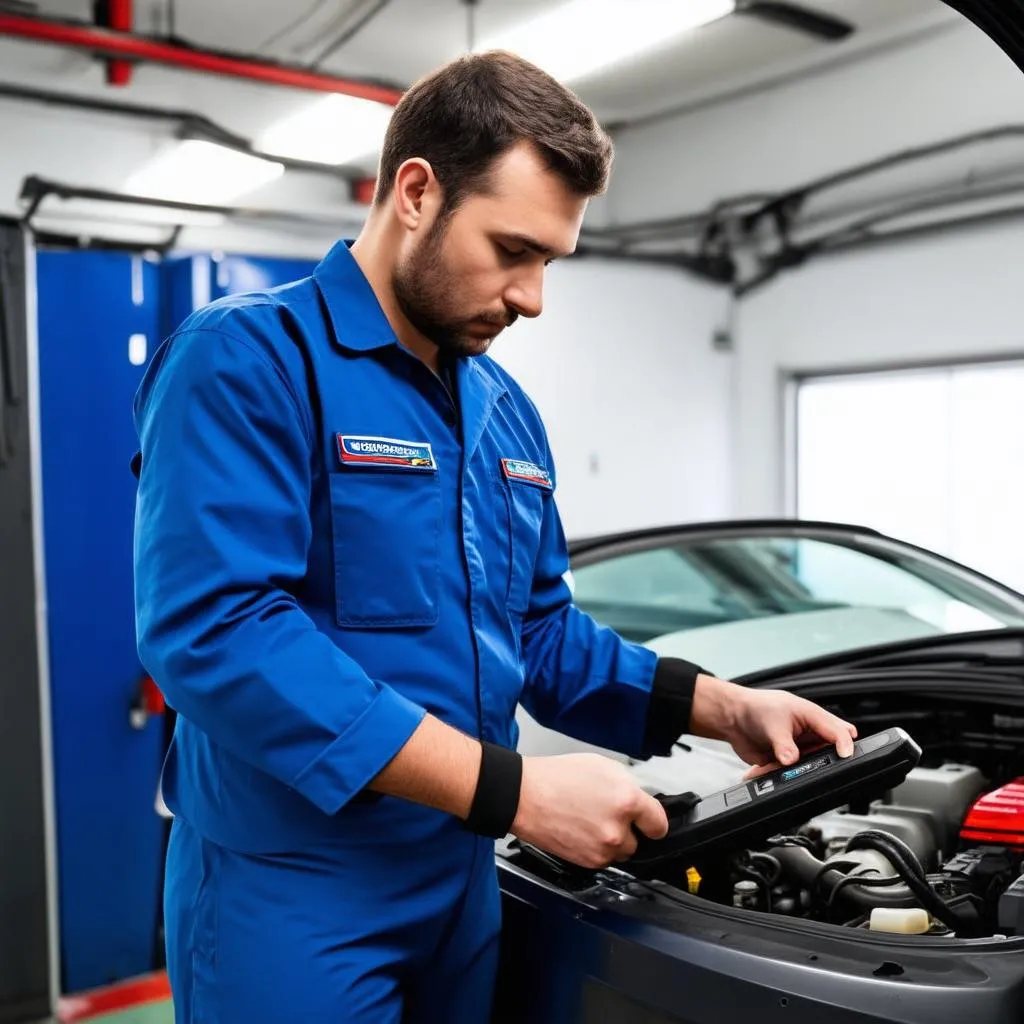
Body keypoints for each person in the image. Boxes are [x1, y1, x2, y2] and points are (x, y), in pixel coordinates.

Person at [131, 49, 857, 1024]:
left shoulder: (503, 410)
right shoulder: (246, 360)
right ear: (418, 192)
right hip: (290, 888)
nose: (532, 297)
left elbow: (538, 634)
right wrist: (511, 791)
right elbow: (219, 634)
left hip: (458, 874)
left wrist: (720, 707)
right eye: (513, 250)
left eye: (548, 262)